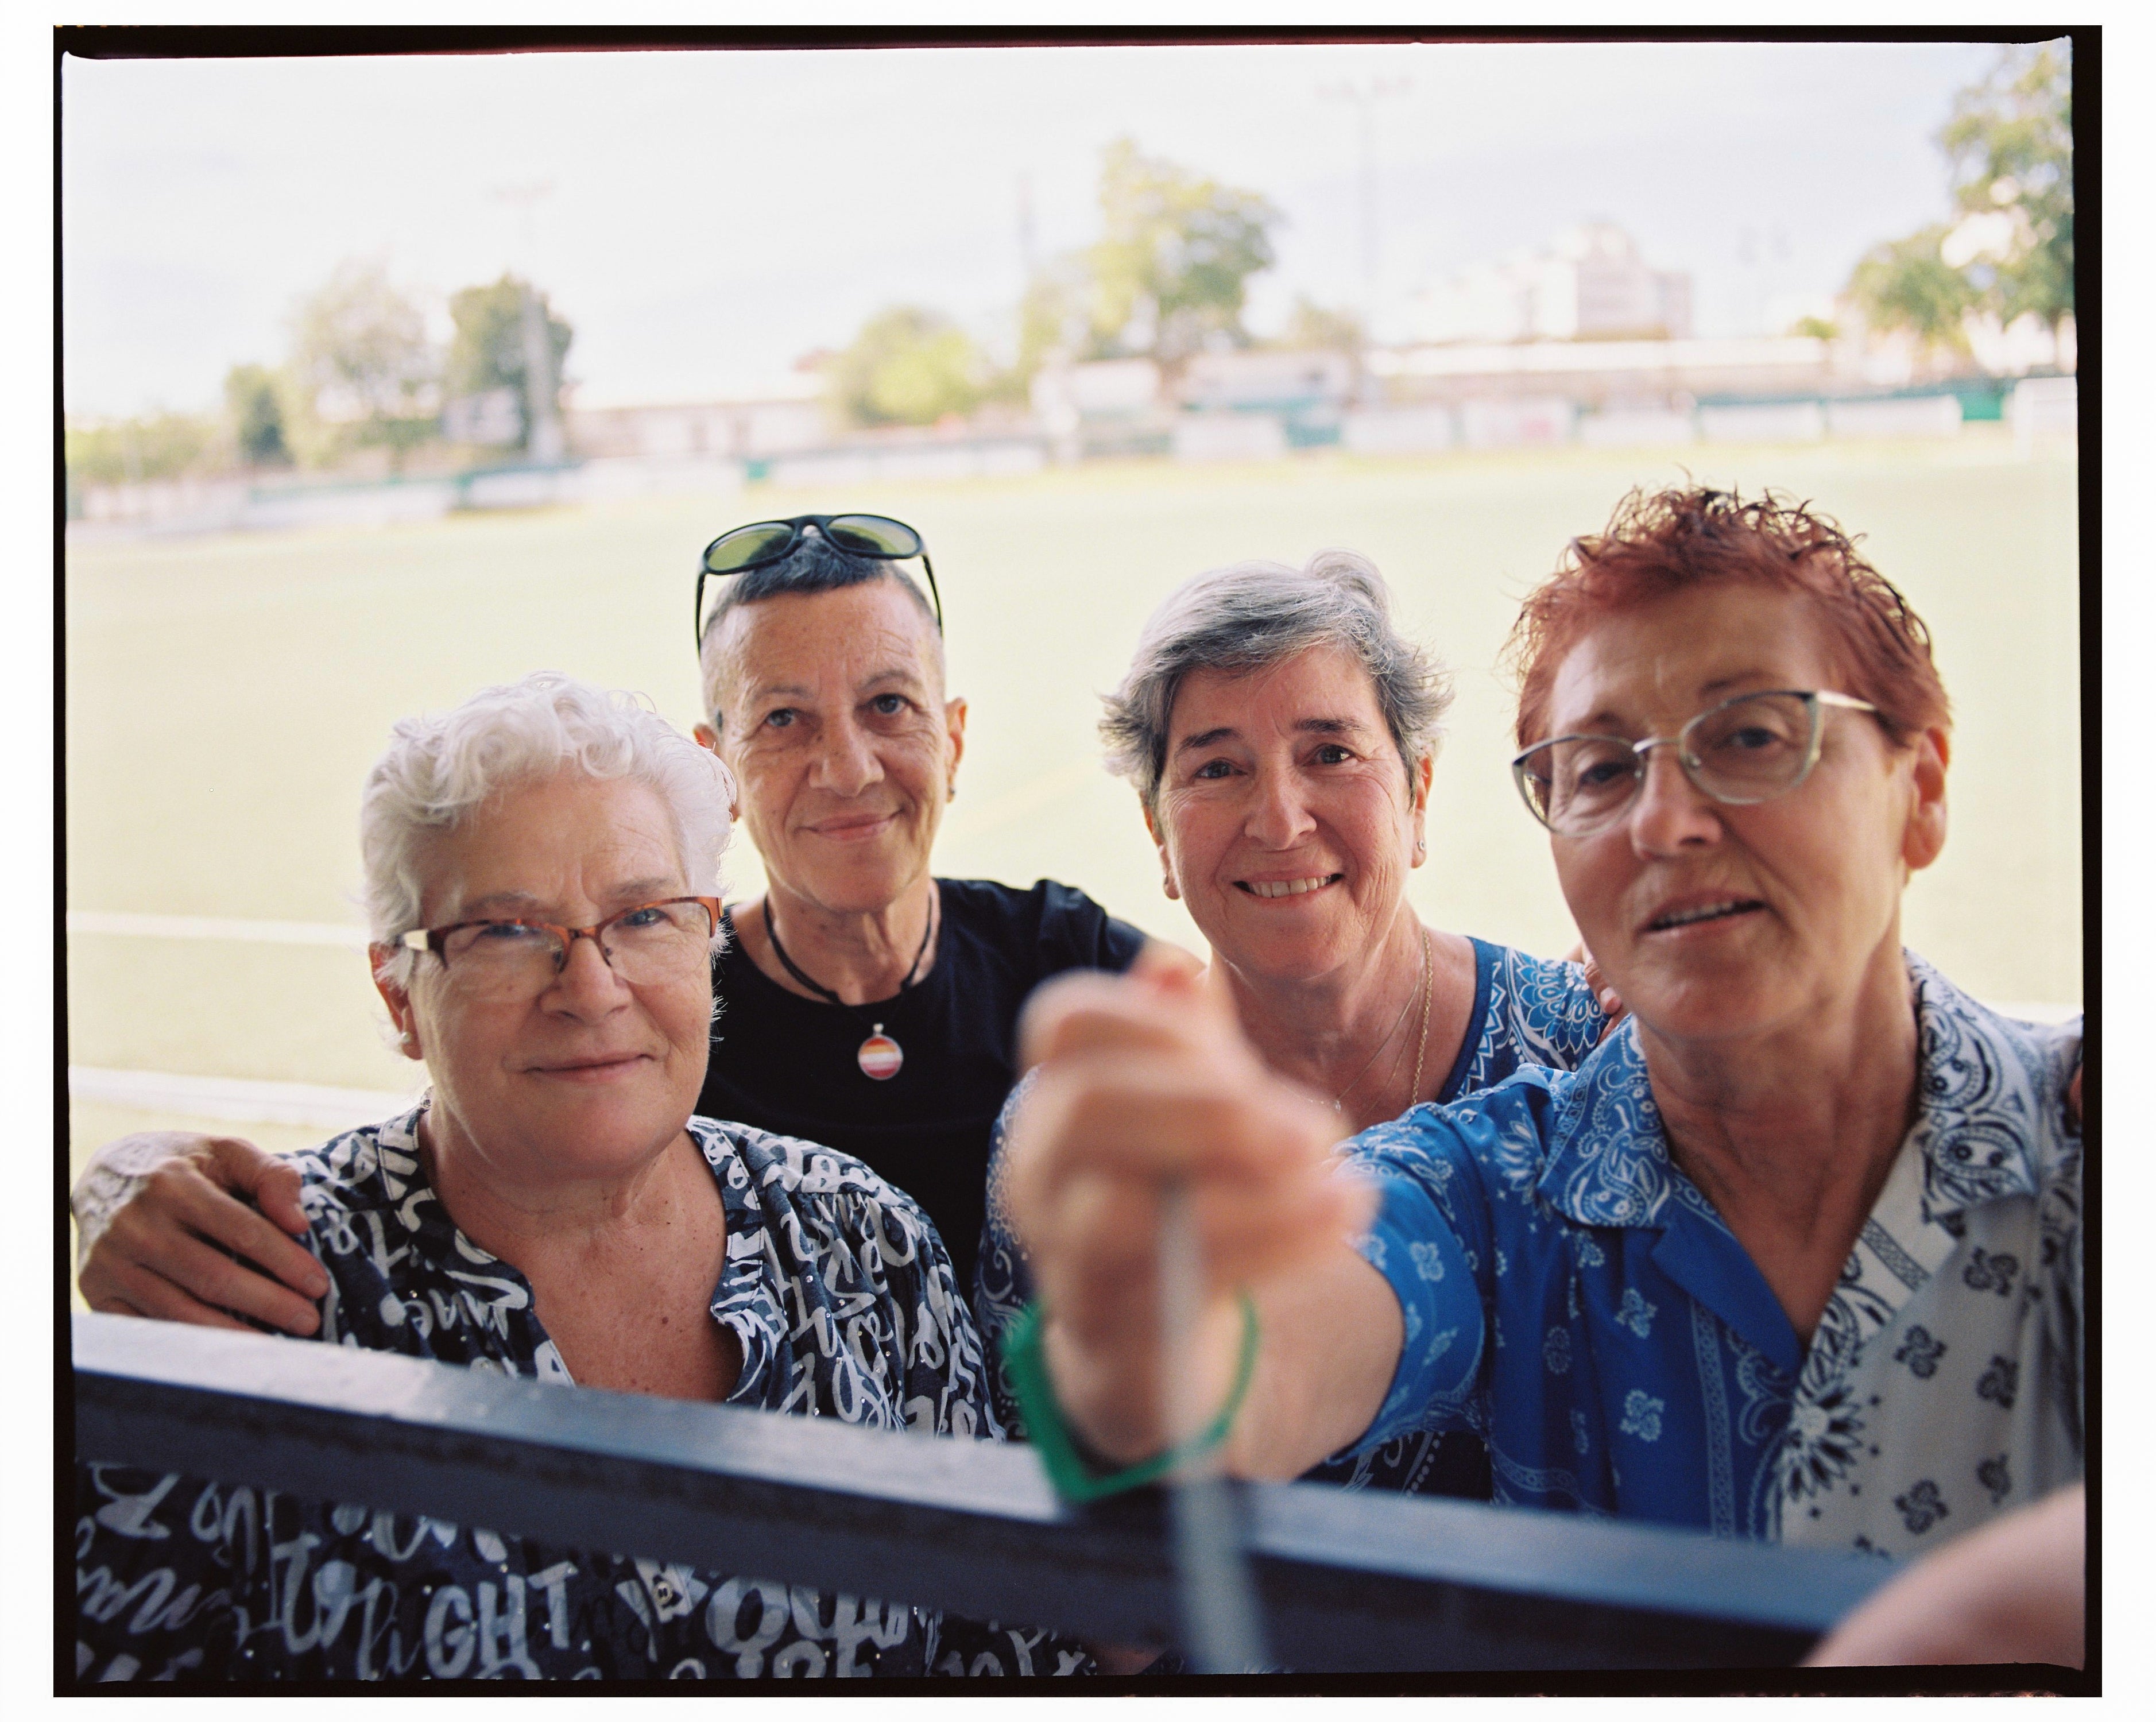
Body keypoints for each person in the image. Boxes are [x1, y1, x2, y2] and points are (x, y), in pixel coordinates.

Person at [1000, 489, 2082, 1598]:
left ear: (1925, 790)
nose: (1664, 821)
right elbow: (1262, 1367)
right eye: (1604, 770)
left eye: (1751, 736)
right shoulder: (1495, 1192)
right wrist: (1143, 1349)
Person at [73, 672, 1089, 1682]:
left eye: (645, 917)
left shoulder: (867, 1240)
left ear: (705, 943)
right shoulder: (251, 1287)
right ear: (397, 994)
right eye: (506, 932)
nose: (590, 989)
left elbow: (1008, 1652)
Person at [73, 514, 1146, 1329]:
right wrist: (127, 1176)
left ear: (953, 737)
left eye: (889, 705)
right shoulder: (647, 1009)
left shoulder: (1069, 961)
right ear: (713, 761)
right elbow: (445, 1151)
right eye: (783, 719)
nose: (848, 767)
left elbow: (1300, 1086)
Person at [975, 551, 1612, 1499]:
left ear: (1419, 794)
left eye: (1331, 754)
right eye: (1219, 767)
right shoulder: (1096, 1137)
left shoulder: (1581, 1052)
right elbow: (1092, 1608)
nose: (1279, 820)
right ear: (1157, 831)